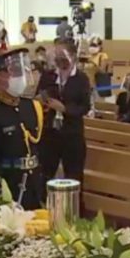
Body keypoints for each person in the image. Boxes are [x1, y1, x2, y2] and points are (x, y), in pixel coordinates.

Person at [0, 49, 43, 210]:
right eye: (14, 73)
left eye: (21, 72)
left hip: (33, 187)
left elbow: (39, 150)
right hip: (8, 187)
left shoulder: (31, 106)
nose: (19, 78)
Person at [36, 44, 91, 190]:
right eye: (57, 56)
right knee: (44, 174)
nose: (59, 59)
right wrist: (42, 101)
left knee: (74, 176)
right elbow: (39, 94)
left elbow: (85, 107)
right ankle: (43, 208)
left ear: (72, 57)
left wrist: (64, 109)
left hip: (72, 135)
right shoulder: (48, 76)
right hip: (49, 133)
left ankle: (74, 210)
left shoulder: (81, 79)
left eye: (63, 56)